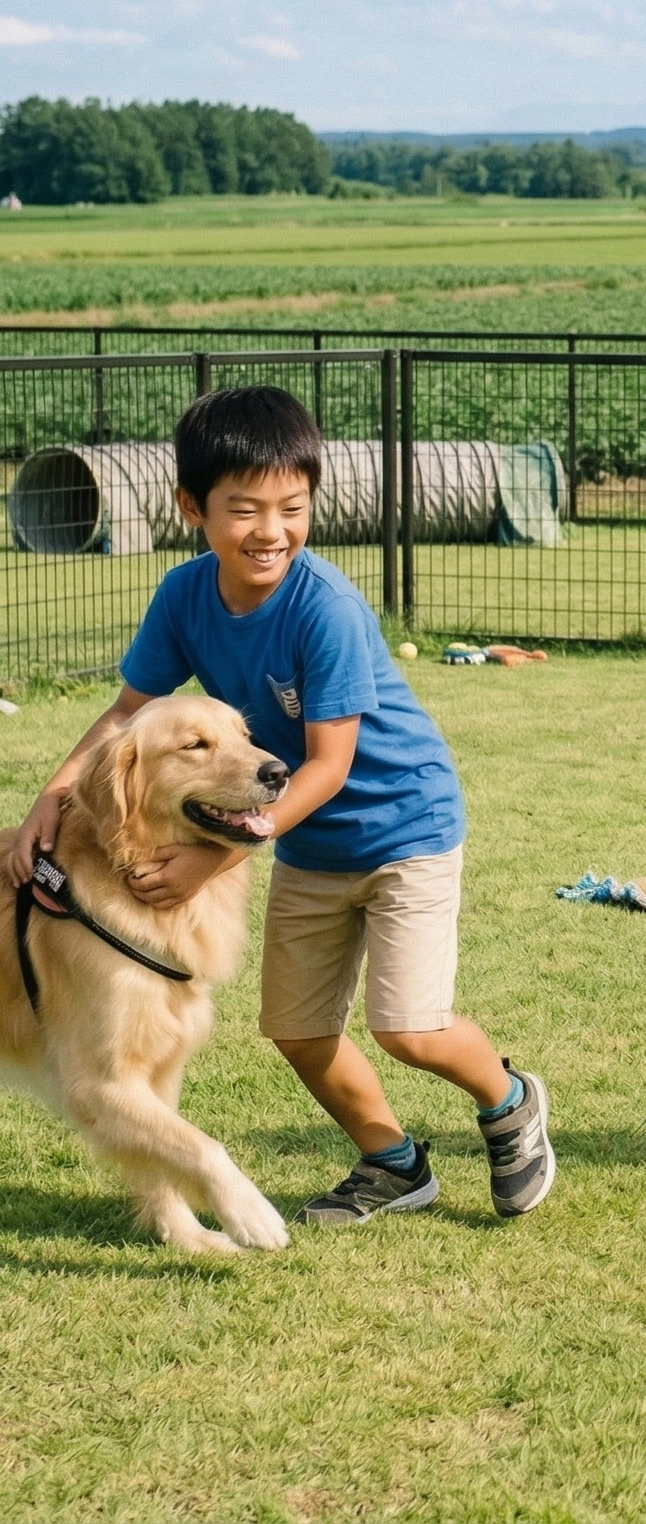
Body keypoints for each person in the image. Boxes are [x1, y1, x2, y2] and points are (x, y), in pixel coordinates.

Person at [5, 386, 556, 1220]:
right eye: (245, 509)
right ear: (192, 507)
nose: (271, 530)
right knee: (297, 1032)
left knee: (408, 1028)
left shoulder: (322, 607)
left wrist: (212, 855)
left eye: (292, 508)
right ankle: (394, 1164)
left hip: (403, 828)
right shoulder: (185, 596)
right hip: (303, 841)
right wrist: (52, 794)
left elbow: (330, 766)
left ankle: (510, 1100)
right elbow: (126, 711)